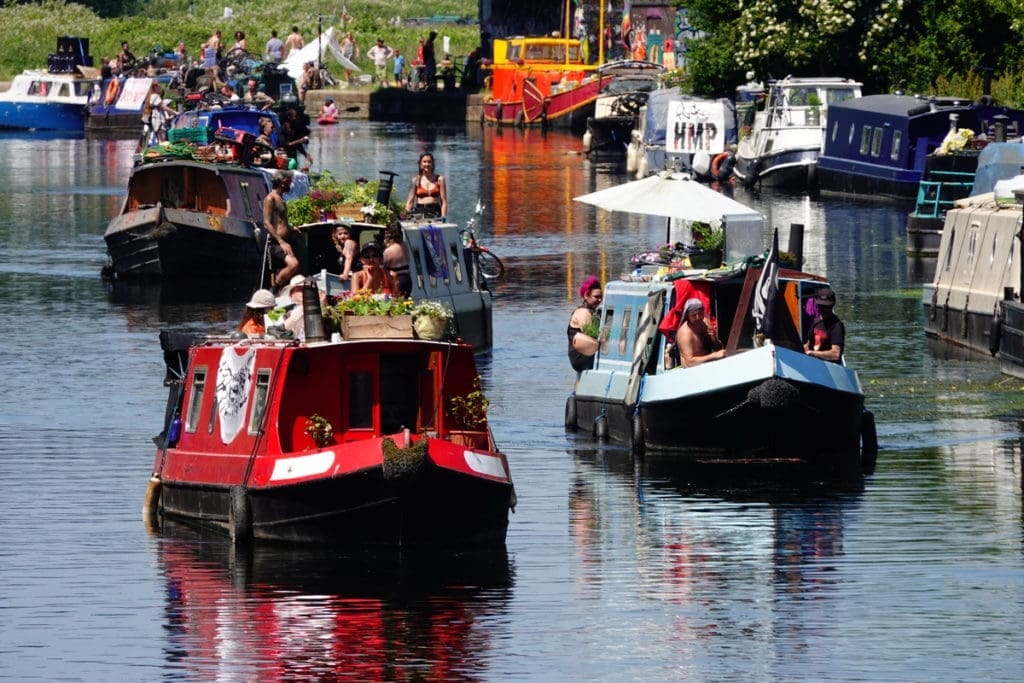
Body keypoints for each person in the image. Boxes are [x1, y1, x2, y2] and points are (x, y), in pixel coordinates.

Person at [264, 171, 303, 289]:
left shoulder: (281, 198)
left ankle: (280, 293)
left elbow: (281, 222)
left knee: (287, 270)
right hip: (277, 243)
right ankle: (274, 288)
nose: (291, 184)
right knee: (293, 264)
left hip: (286, 241)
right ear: (283, 182)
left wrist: (292, 228)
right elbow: (267, 223)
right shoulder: (270, 199)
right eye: (289, 181)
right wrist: (281, 242)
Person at [675, 298, 725, 367]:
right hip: (691, 371)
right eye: (693, 315)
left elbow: (719, 348)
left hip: (708, 365)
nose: (698, 317)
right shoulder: (685, 334)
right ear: (687, 316)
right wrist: (714, 355)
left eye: (700, 313)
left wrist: (713, 338)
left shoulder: (705, 322)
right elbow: (690, 363)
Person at [568, 275, 603, 372]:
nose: (600, 300)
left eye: (601, 297)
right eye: (596, 297)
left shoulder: (592, 311)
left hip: (586, 352)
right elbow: (592, 336)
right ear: (586, 295)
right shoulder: (583, 312)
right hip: (580, 357)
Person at [804, 287, 845, 363]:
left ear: (832, 305)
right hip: (813, 364)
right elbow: (808, 344)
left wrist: (813, 353)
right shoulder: (816, 322)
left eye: (827, 307)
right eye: (821, 306)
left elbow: (836, 354)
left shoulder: (837, 326)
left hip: (830, 368)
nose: (823, 309)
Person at [405, 152, 447, 218]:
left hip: (435, 212)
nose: (427, 164)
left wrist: (444, 217)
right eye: (424, 162)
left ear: (432, 164)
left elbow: (444, 202)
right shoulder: (416, 180)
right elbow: (410, 201)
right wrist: (406, 216)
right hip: (420, 211)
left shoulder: (440, 179)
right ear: (420, 164)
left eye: (429, 162)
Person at [141, 81, 175, 146]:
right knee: (162, 138)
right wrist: (175, 113)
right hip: (157, 119)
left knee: (158, 138)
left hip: (152, 120)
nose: (159, 88)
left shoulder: (150, 96)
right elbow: (164, 108)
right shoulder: (155, 96)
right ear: (155, 87)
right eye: (158, 86)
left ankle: (151, 146)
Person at [383, 222, 411, 296]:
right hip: (407, 279)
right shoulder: (405, 245)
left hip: (397, 280)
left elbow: (383, 267)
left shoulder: (388, 251)